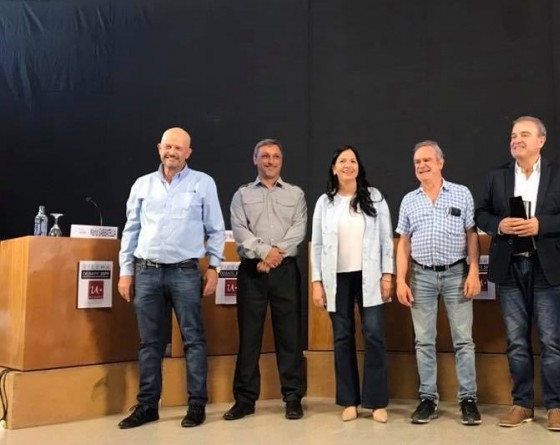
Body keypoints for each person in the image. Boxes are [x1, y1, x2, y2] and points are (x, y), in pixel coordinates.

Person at [475, 116, 560, 431]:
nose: (516, 140)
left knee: (550, 340)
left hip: (547, 265)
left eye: (524, 134)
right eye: (513, 135)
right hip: (509, 266)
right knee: (516, 342)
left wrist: (540, 225)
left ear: (541, 140)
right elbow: (481, 213)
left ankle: (555, 406)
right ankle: (522, 404)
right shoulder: (496, 176)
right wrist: (499, 225)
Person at [117, 127, 225, 429]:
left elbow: (216, 230)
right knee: (149, 343)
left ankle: (196, 405)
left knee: (193, 339)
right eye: (168, 147)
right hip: (146, 271)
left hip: (185, 272)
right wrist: (125, 272)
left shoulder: (203, 183)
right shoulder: (142, 184)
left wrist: (214, 267)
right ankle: (147, 406)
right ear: (159, 148)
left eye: (178, 148)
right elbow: (131, 230)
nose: (172, 152)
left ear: (188, 152)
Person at [395, 140, 482, 425]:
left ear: (441, 163)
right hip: (421, 276)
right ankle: (428, 400)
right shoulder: (409, 200)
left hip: (457, 273)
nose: (422, 166)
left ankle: (468, 399)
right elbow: (403, 243)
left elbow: (472, 234)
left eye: (427, 160)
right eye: (417, 162)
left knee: (463, 340)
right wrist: (400, 280)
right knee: (423, 341)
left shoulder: (461, 193)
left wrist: (473, 271)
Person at [310, 145, 394, 423]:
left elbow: (386, 240)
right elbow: (317, 245)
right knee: (342, 337)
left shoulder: (374, 197)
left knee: (374, 335)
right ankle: (349, 401)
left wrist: (387, 275)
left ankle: (376, 402)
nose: (348, 165)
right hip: (337, 278)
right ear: (334, 169)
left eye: (353, 160)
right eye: (342, 161)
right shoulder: (325, 203)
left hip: (369, 276)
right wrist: (317, 282)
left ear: (359, 166)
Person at [225, 138, 307, 421]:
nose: (270, 161)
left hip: (285, 270)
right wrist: (264, 253)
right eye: (265, 156)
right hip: (252, 271)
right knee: (249, 337)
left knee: (290, 336)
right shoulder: (242, 195)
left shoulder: (296, 194)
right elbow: (240, 230)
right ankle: (245, 400)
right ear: (255, 159)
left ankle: (293, 397)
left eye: (275, 156)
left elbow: (298, 230)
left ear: (281, 161)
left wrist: (274, 256)